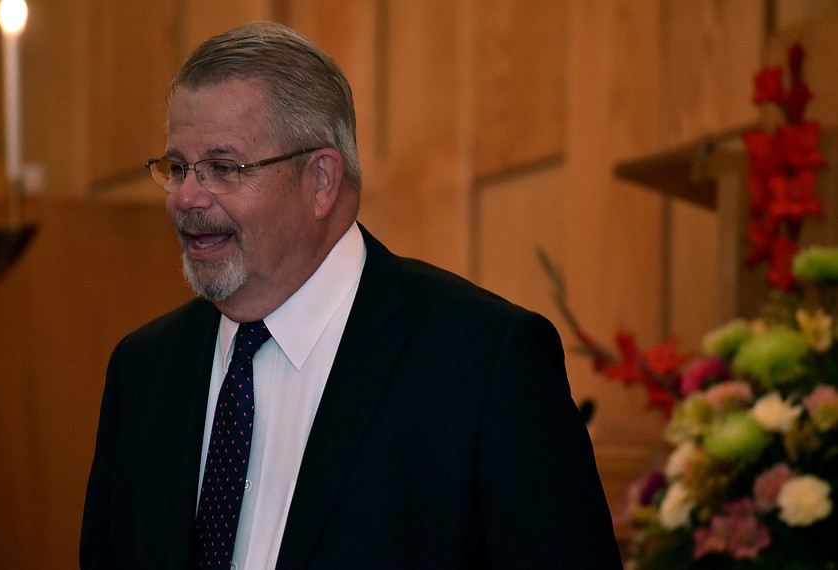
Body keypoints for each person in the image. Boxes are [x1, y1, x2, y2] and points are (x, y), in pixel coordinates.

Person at [80, 21, 622, 569]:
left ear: (321, 181)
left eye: (223, 168)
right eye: (177, 168)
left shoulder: (485, 363)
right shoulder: (142, 371)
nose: (186, 198)